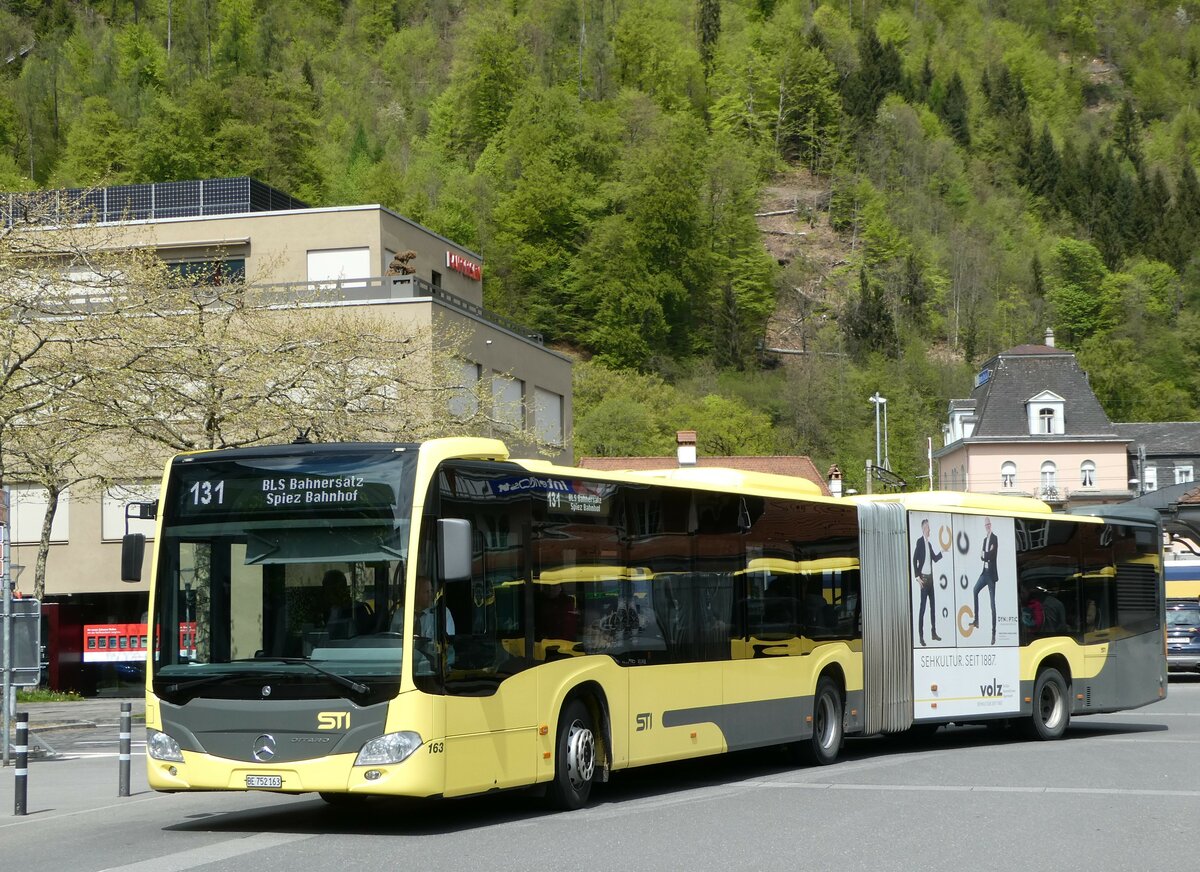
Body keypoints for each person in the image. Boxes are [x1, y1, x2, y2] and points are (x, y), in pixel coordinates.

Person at [912, 518, 944, 646]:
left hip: (931, 580)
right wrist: (917, 577)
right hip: (924, 579)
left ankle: (933, 633)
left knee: (933, 607)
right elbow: (914, 559)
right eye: (928, 528)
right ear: (924, 528)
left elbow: (934, 558)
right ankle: (921, 636)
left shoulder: (929, 544)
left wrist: (942, 552)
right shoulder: (920, 542)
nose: (930, 530)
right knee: (923, 608)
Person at [970, 517, 1000, 645]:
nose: (987, 526)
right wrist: (986, 554)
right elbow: (982, 556)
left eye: (988, 524)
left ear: (991, 525)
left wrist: (986, 554)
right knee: (975, 590)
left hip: (991, 575)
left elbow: (991, 556)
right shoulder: (984, 540)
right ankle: (976, 620)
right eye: (985, 525)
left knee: (992, 604)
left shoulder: (995, 538)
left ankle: (993, 634)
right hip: (984, 573)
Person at [322, 569, 371, 638]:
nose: (327, 595)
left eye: (332, 590)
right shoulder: (325, 610)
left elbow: (365, 636)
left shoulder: (357, 609)